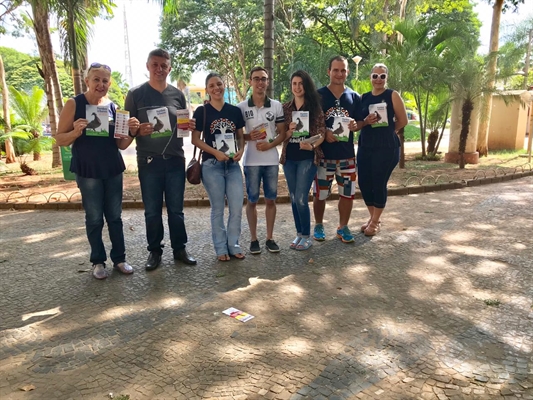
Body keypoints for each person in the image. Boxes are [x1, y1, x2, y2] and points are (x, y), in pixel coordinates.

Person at [56, 62, 135, 280]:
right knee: (94, 218)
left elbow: (121, 145)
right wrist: (75, 132)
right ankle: (98, 261)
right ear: (87, 81)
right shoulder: (74, 104)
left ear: (109, 83)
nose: (101, 84)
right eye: (97, 79)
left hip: (112, 168)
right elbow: (60, 139)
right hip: (88, 170)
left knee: (115, 217)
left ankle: (119, 259)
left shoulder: (113, 107)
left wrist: (132, 132)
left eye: (105, 80)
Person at [122, 49, 196, 271]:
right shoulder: (135, 94)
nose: (159, 69)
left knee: (176, 209)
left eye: (164, 65)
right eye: (155, 64)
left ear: (169, 68)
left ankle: (180, 249)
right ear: (147, 66)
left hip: (174, 159)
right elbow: (127, 129)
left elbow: (183, 127)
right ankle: (154, 252)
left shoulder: (177, 94)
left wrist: (188, 126)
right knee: (152, 210)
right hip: (149, 161)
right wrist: (137, 131)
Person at [191, 73, 246, 261]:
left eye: (219, 84)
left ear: (224, 85)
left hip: (232, 166)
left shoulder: (234, 111)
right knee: (218, 209)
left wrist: (241, 150)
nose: (217, 88)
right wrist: (215, 152)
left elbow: (240, 136)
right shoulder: (201, 111)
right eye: (212, 85)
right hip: (211, 165)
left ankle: (234, 244)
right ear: (207, 89)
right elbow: (195, 139)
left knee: (237, 207)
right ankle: (221, 248)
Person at [313, 56, 362, 243]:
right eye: (335, 70)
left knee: (347, 193)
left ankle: (343, 226)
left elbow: (360, 121)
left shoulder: (354, 97)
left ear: (347, 72)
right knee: (320, 194)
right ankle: (318, 224)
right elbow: (312, 123)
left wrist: (357, 124)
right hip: (324, 156)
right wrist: (324, 132)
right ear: (329, 71)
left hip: (347, 156)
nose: (339, 74)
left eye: (343, 70)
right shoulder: (318, 96)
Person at [237, 67, 286, 254]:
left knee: (271, 200)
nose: (260, 82)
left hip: (271, 161)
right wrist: (250, 137)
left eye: (264, 79)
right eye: (256, 79)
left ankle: (270, 238)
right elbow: (239, 136)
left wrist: (270, 144)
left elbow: (282, 133)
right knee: (251, 200)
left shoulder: (276, 106)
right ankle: (253, 239)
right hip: (251, 161)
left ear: (268, 82)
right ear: (250, 81)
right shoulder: (241, 107)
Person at [357, 63, 408, 236]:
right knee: (364, 183)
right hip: (365, 146)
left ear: (387, 78)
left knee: (378, 183)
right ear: (370, 77)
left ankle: (375, 221)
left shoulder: (392, 95)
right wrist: (365, 121)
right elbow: (358, 122)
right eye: (375, 76)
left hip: (386, 147)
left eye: (382, 76)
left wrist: (389, 131)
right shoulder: (363, 98)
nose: (378, 79)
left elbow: (403, 121)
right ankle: (373, 218)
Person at [280, 70, 325, 251]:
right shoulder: (285, 108)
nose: (297, 87)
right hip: (290, 158)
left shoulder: (314, 107)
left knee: (300, 198)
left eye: (300, 83)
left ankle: (307, 236)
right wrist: (289, 131)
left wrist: (313, 145)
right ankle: (299, 234)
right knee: (293, 198)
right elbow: (280, 134)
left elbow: (322, 133)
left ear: (306, 86)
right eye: (294, 84)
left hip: (307, 158)